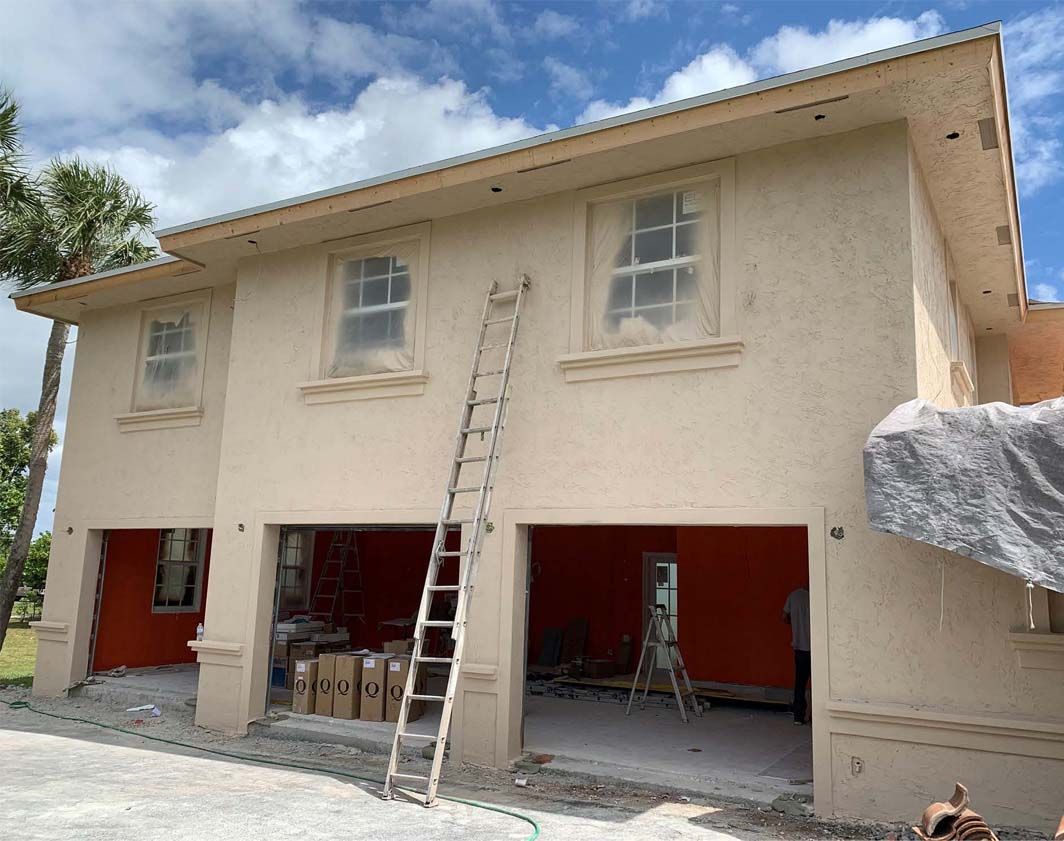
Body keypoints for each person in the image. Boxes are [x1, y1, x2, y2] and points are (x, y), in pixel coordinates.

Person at [782, 585, 811, 725]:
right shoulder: (817, 597)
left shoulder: (793, 596)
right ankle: (815, 716)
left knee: (800, 683)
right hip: (816, 649)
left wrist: (796, 622)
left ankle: (798, 717)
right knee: (819, 684)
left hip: (799, 647)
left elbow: (784, 617)